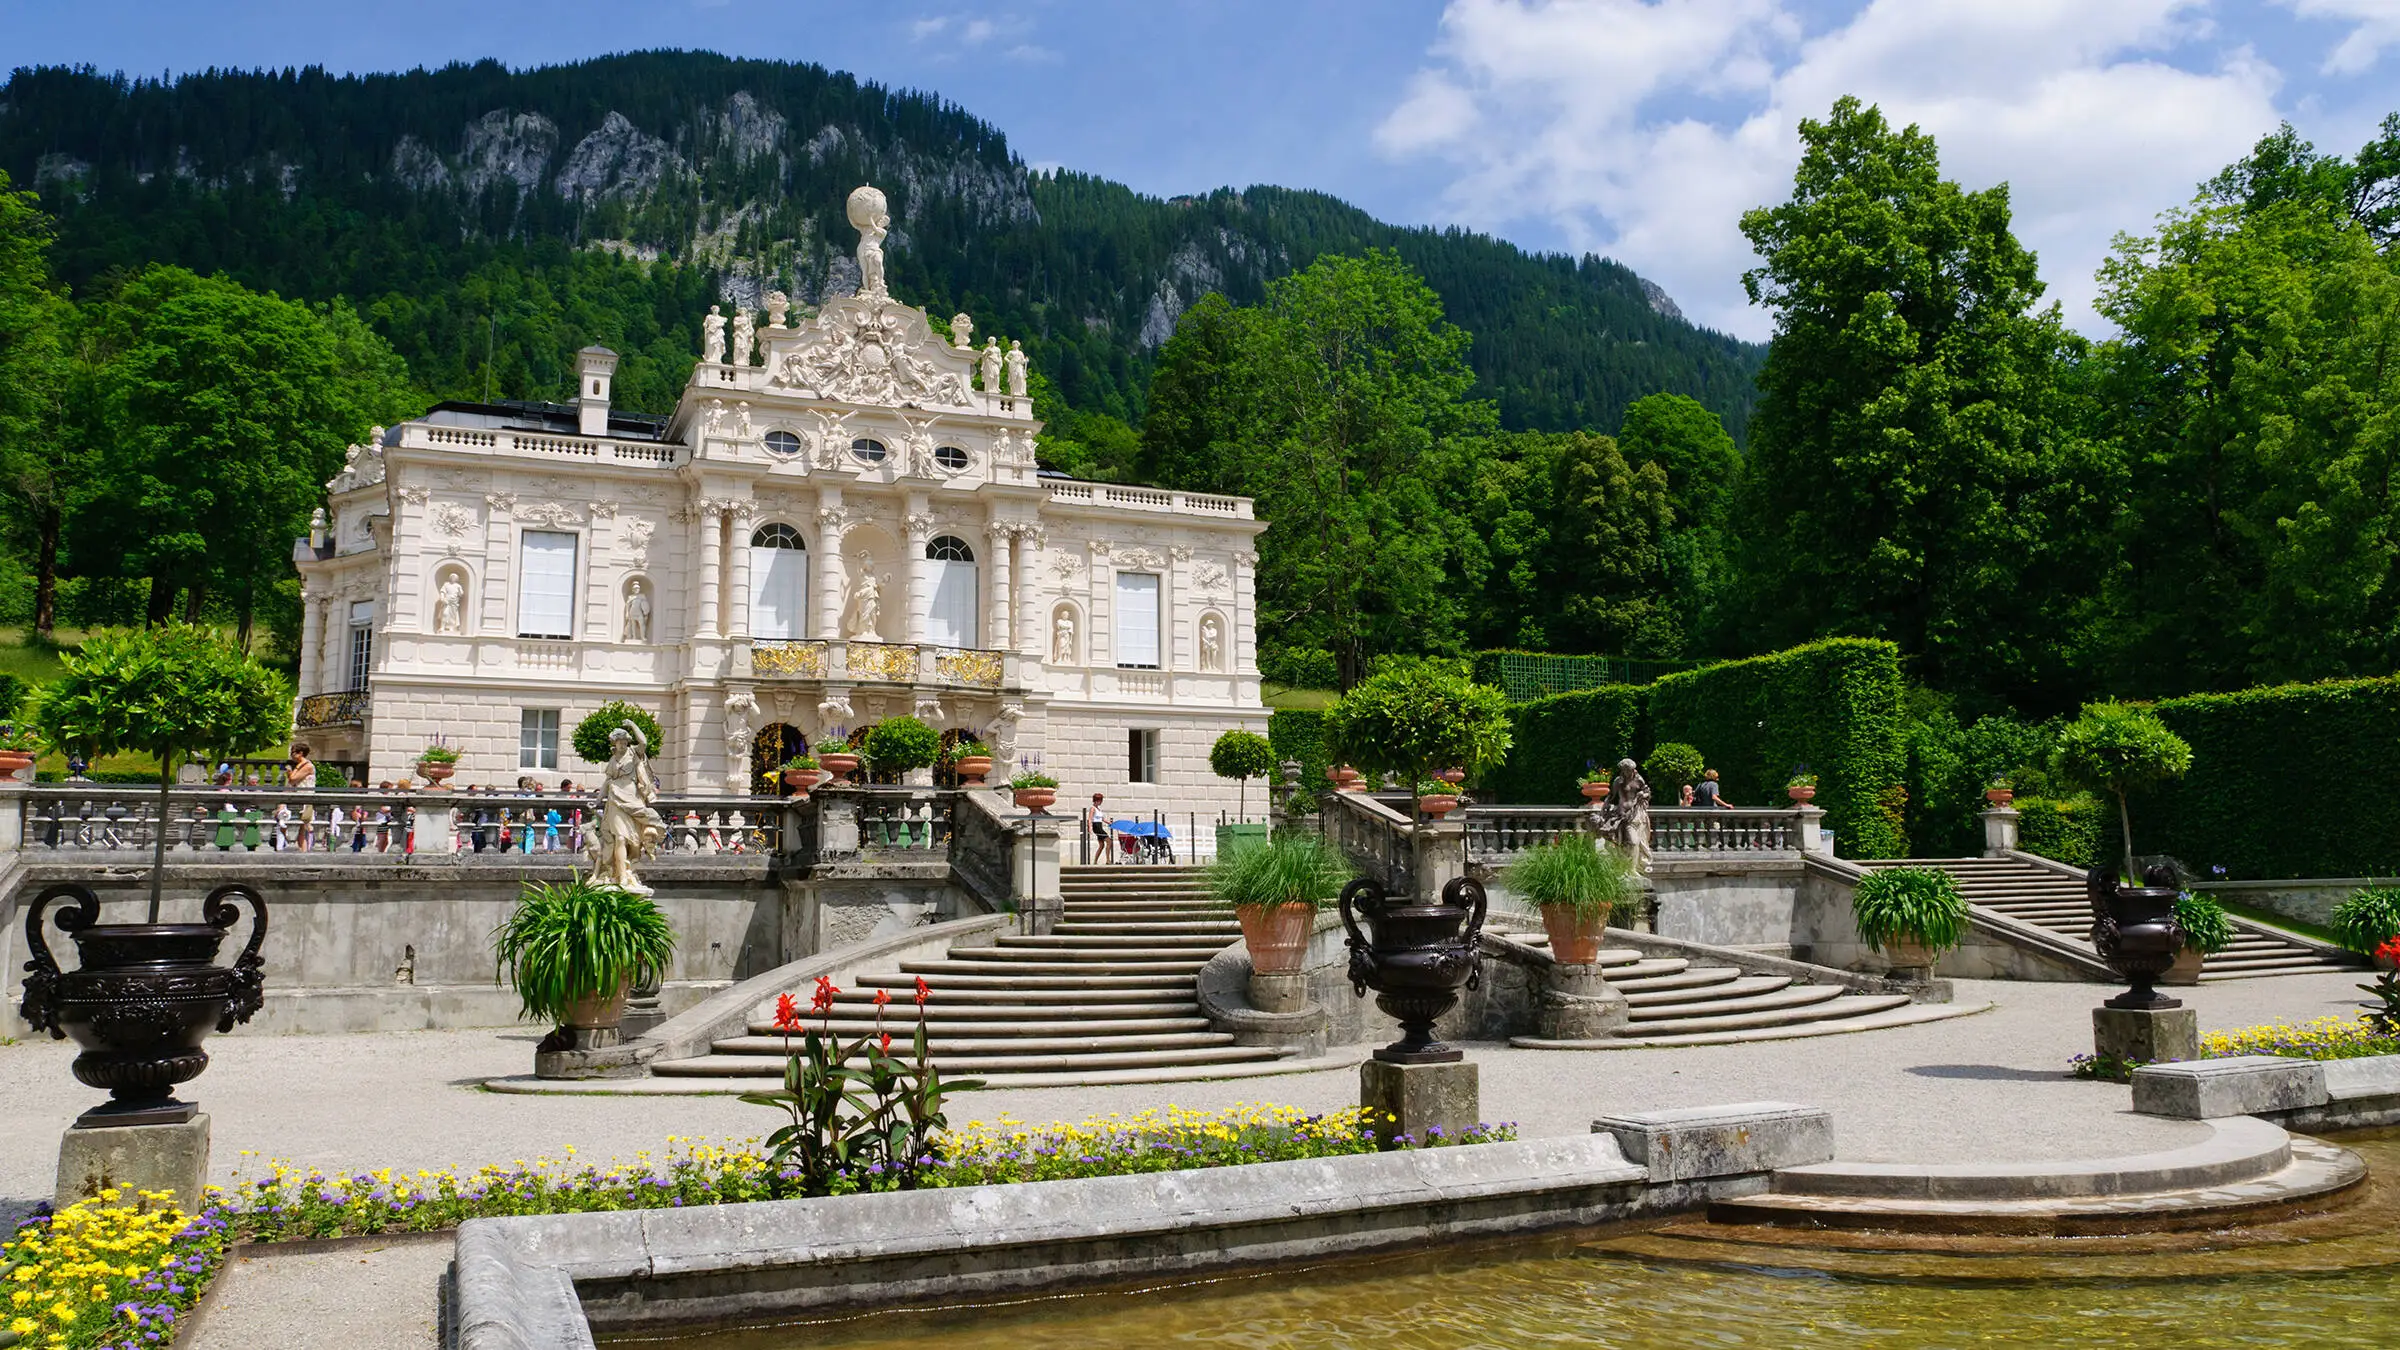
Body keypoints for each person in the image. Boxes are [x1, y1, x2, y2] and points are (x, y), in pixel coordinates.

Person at [1089, 792, 1116, 863]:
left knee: (1101, 845)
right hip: (1097, 827)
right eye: (1100, 801)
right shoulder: (1093, 809)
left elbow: (1102, 819)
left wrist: (1110, 823)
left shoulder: (1098, 809)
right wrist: (1090, 828)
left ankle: (1095, 861)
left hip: (1099, 826)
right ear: (1097, 800)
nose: (1101, 802)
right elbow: (1090, 819)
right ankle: (1108, 860)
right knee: (1109, 841)